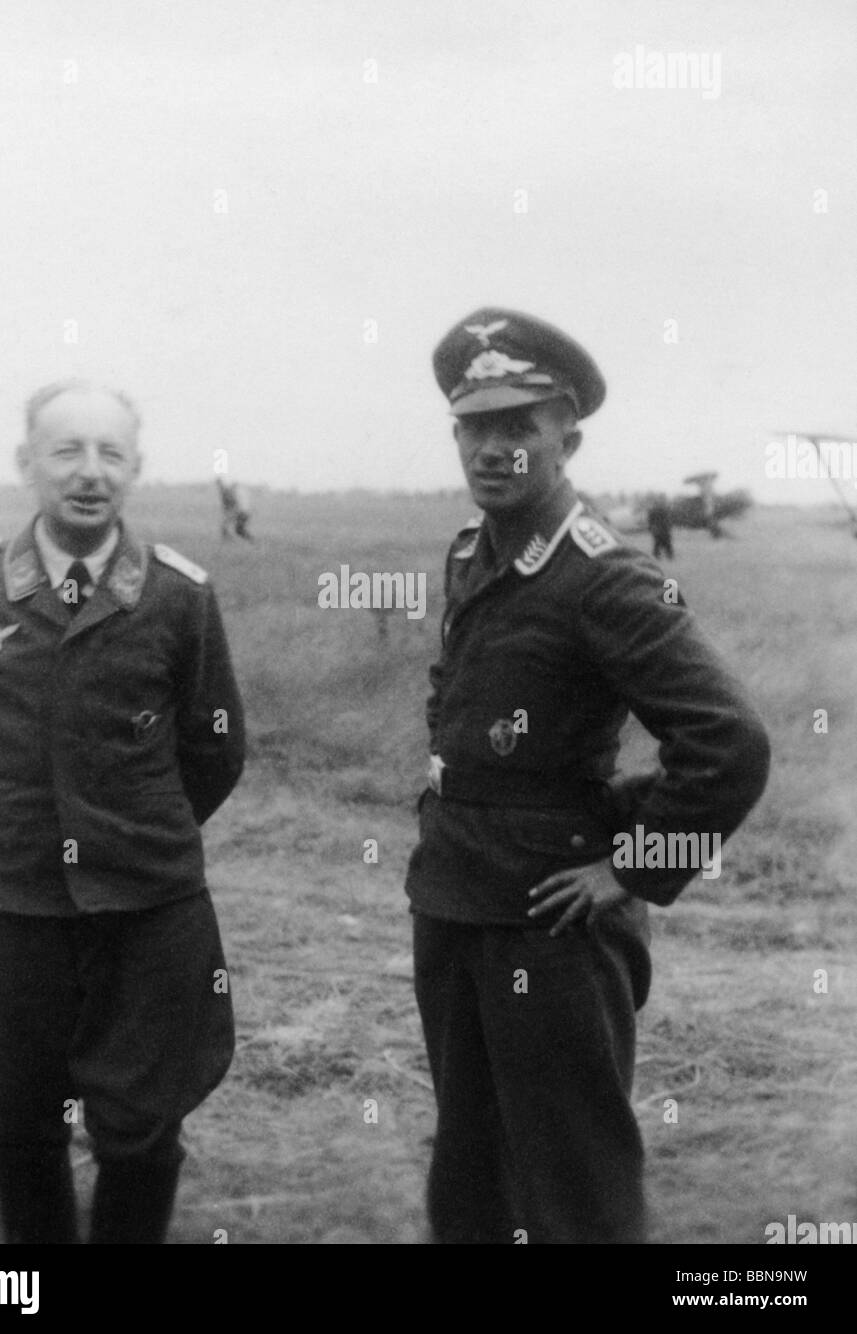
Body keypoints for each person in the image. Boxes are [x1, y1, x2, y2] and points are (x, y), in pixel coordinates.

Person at [405, 308, 770, 1244]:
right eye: (474, 428)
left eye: (517, 428)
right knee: (472, 1165)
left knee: (573, 1181)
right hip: (455, 897)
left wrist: (628, 868)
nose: (493, 450)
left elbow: (727, 743)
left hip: (552, 921)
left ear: (565, 437)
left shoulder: (605, 576)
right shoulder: (470, 551)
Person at [0, 379, 245, 1244]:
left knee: (142, 1121)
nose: (89, 474)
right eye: (66, 451)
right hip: (8, 904)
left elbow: (214, 747)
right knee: (24, 1115)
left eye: (110, 453)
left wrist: (125, 832)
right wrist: (11, 829)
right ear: (26, 464)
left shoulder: (178, 595)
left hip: (147, 908)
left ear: (134, 469)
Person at [217, 476, 253, 542]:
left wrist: (232, 512)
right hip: (238, 512)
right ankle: (250, 541)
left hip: (238, 512)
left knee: (237, 529)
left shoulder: (227, 491)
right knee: (236, 529)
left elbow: (231, 502)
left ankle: (251, 541)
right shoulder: (227, 491)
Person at [647, 492, 674, 559]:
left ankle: (658, 554)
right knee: (665, 542)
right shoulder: (663, 509)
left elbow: (650, 520)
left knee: (658, 542)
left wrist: (651, 528)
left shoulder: (653, 510)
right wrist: (669, 526)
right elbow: (667, 519)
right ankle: (668, 554)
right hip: (662, 529)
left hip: (658, 529)